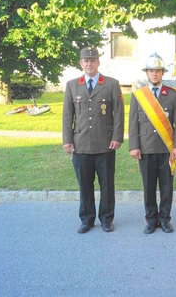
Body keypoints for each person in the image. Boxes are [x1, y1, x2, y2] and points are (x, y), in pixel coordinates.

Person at [62, 47, 124, 234]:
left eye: (93, 60)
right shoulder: (72, 85)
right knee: (85, 185)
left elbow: (119, 113)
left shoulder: (111, 84)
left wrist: (117, 137)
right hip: (80, 144)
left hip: (105, 144)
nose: (89, 64)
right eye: (86, 61)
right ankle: (87, 219)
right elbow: (67, 115)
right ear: (81, 63)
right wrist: (67, 140)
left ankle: (106, 219)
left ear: (98, 62)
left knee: (107, 185)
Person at [129, 53, 176, 234]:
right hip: (145, 149)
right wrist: (134, 146)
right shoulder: (138, 96)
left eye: (158, 71)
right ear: (147, 73)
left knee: (167, 186)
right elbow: (133, 123)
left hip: (166, 149)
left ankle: (165, 219)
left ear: (163, 73)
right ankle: (151, 219)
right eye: (151, 71)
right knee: (149, 186)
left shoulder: (173, 95)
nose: (154, 74)